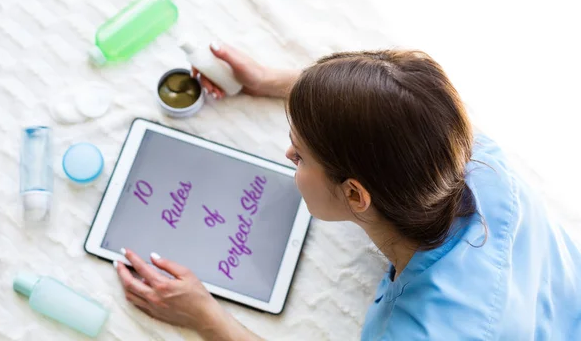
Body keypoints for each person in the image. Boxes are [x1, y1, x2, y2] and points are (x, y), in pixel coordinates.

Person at [114, 43, 581, 340]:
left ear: (356, 195)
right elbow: (392, 108)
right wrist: (273, 82)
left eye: (299, 156)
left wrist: (205, 317)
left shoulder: (415, 331)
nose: (286, 156)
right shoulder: (473, 152)